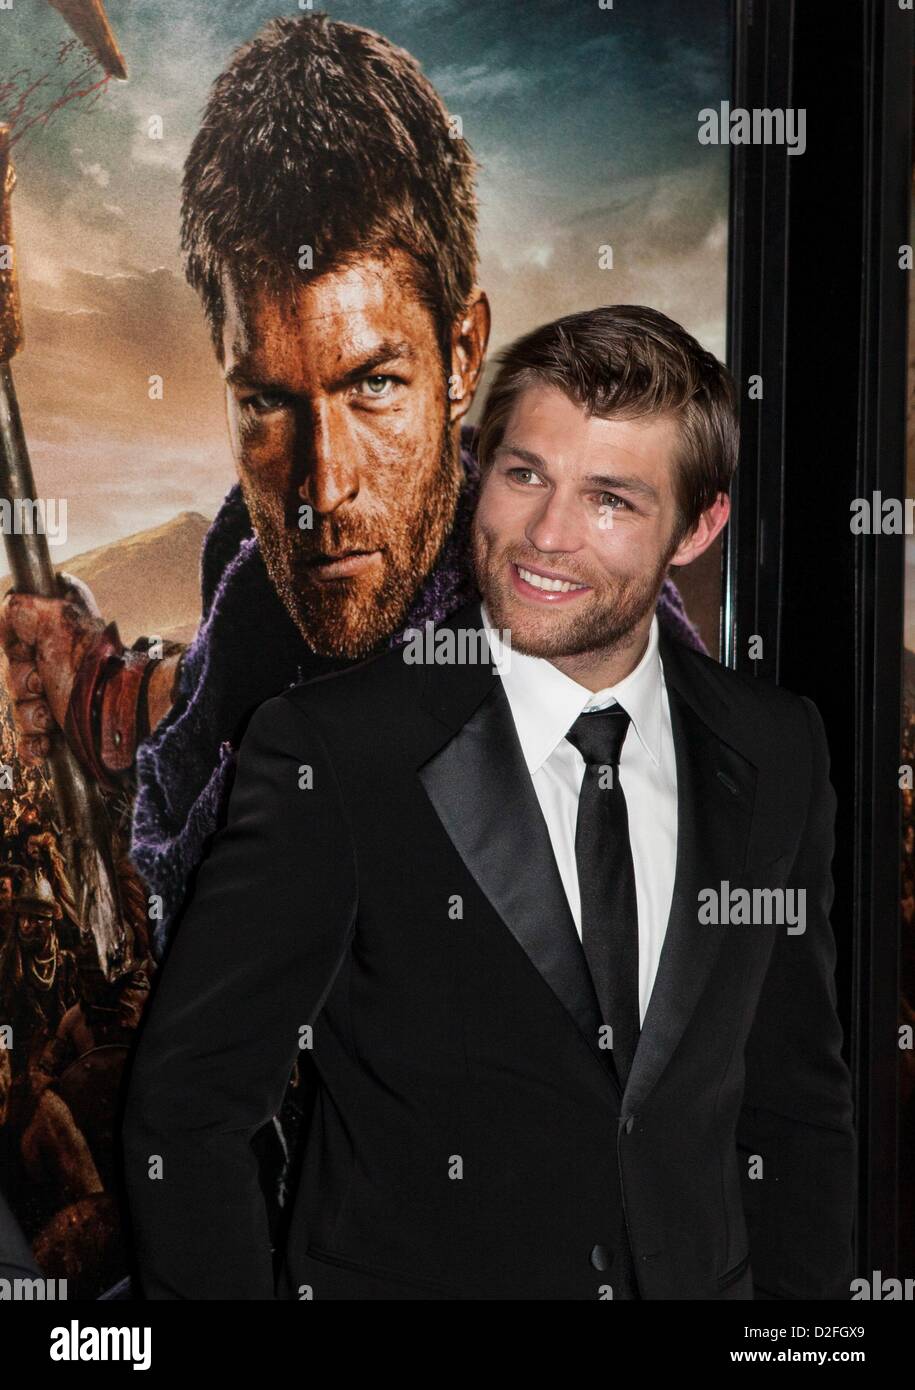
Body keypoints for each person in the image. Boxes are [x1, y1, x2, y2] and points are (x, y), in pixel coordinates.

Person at [121, 306, 857, 1300]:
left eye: (610, 499)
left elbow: (795, 1105)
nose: (545, 537)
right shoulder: (333, 752)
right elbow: (188, 1109)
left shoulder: (777, 749)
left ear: (700, 525)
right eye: (524, 475)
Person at [0, 13, 703, 959]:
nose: (322, 491)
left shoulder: (585, 685)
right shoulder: (256, 581)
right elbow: (230, 683)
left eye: (373, 384)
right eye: (267, 402)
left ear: (461, 354)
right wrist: (91, 681)